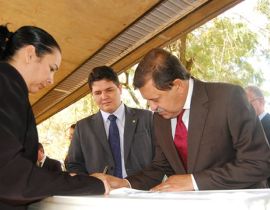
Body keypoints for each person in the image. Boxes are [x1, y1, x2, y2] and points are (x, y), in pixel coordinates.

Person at [97, 48, 270, 191]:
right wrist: (125, 183)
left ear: (178, 85)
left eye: (155, 99)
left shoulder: (228, 98)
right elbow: (160, 167)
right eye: (148, 101)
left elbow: (258, 163)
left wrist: (194, 181)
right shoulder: (160, 117)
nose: (152, 108)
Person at [0, 24, 108, 210]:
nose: (51, 80)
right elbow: (10, 176)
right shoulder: (5, 85)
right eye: (51, 68)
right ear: (30, 54)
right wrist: (89, 184)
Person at [66, 66, 154, 178]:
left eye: (109, 90)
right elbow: (74, 164)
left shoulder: (146, 118)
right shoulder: (82, 127)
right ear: (92, 95)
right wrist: (91, 183)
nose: (104, 97)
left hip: (143, 191)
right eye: (98, 93)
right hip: (102, 193)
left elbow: (160, 159)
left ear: (120, 88)